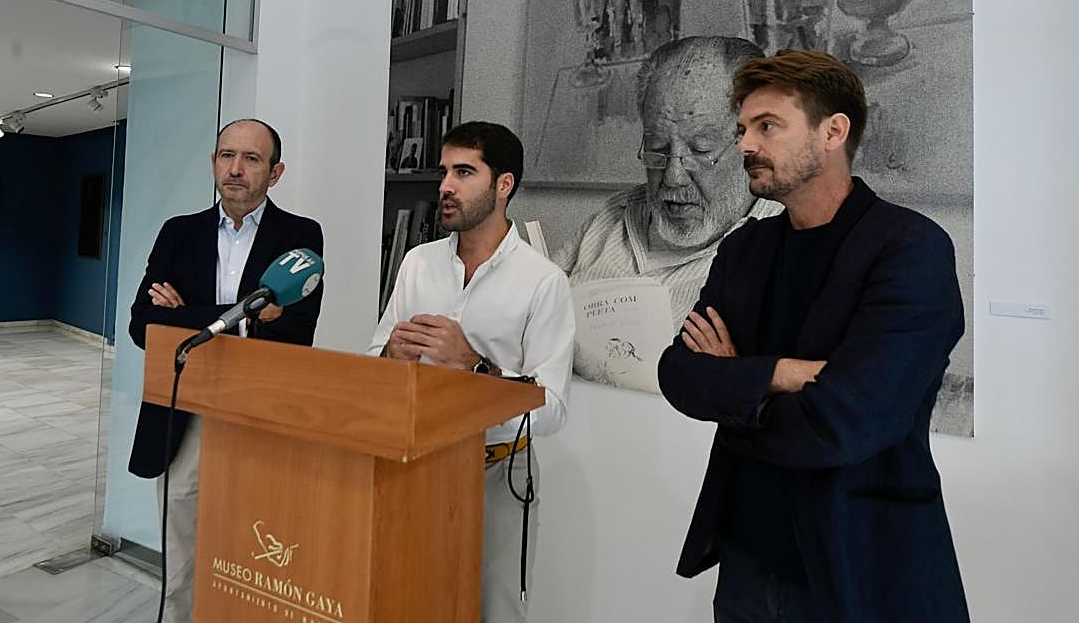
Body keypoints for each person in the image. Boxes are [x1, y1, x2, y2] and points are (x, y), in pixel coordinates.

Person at [657, 49, 968, 622]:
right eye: (742, 129)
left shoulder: (910, 249)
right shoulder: (745, 249)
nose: (745, 145)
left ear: (833, 132)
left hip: (863, 568)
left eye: (767, 126)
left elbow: (846, 423)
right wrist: (785, 374)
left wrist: (739, 389)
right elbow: (678, 374)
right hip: (747, 567)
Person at [368, 121, 575, 623]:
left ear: (503, 185)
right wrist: (392, 355)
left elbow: (551, 410)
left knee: (494, 611)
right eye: (445, 172)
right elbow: (375, 359)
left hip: (500, 474)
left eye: (464, 172)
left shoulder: (543, 282)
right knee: (408, 601)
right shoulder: (417, 263)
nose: (445, 186)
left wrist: (475, 365)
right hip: (417, 464)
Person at [127, 118, 324, 623]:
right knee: (180, 546)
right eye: (225, 155)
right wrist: (243, 314)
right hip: (181, 409)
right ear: (213, 162)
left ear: (275, 173)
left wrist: (189, 312)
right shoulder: (179, 232)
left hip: (259, 413)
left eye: (251, 159)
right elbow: (143, 324)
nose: (235, 169)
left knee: (253, 541)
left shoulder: (301, 236)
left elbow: (296, 333)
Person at [552, 37, 783, 356]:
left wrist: (738, 378)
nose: (672, 177)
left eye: (700, 150)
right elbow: (530, 309)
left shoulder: (791, 248)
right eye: (657, 149)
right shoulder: (615, 216)